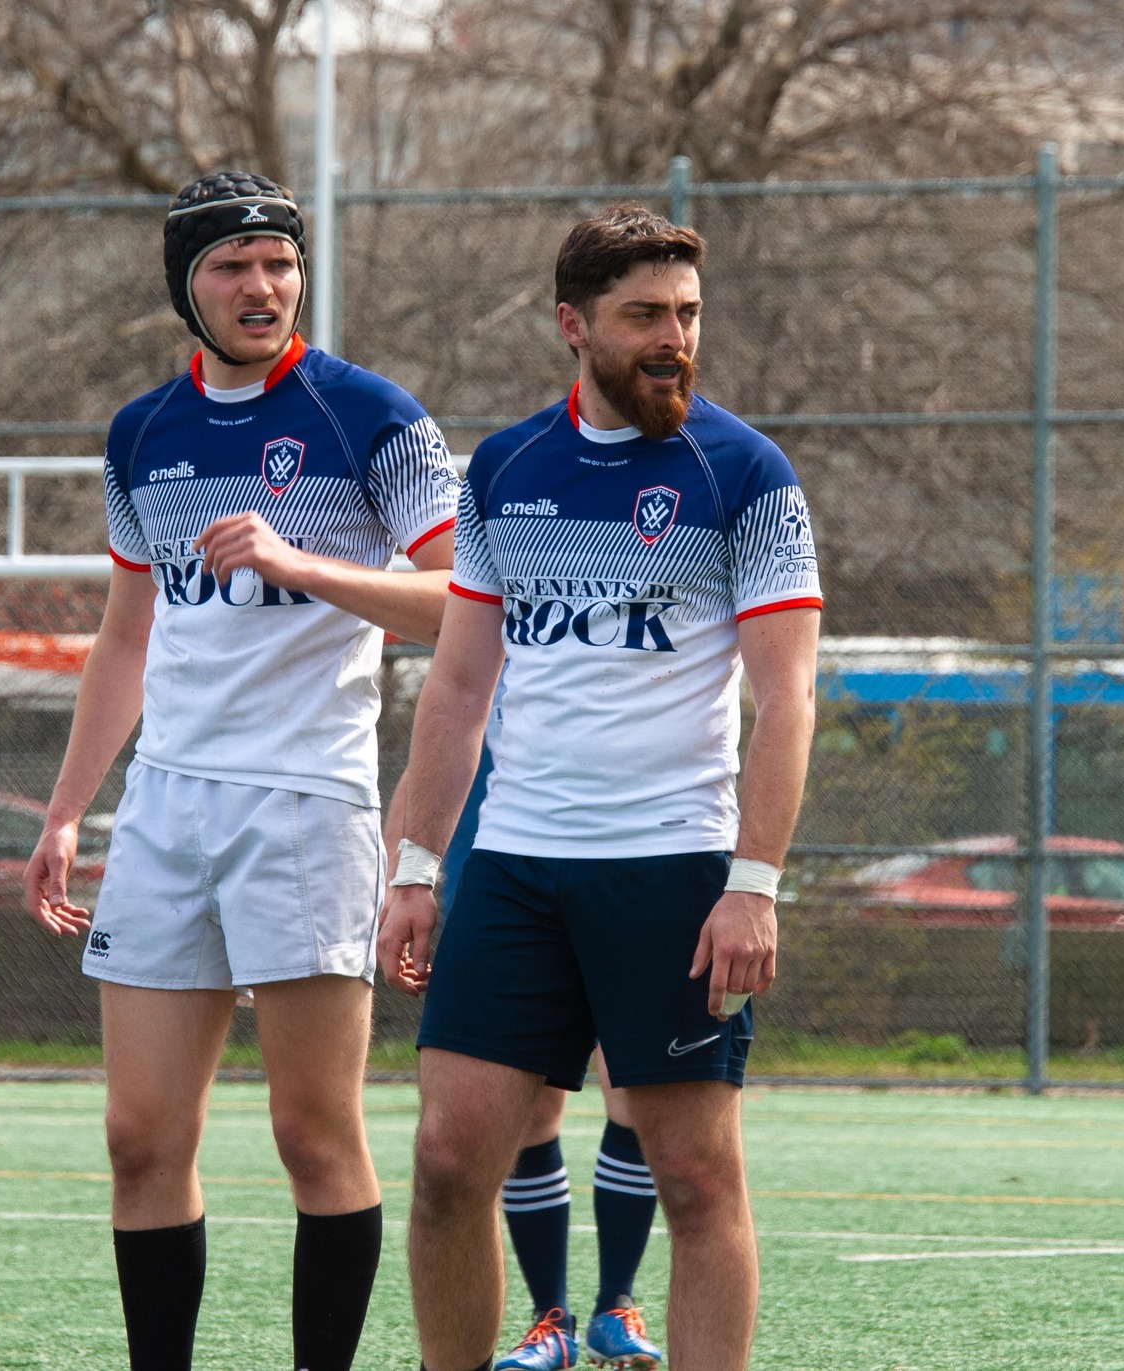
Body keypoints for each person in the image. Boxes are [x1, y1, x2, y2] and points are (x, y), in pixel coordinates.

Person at [21, 170, 460, 1371]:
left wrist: (305, 564)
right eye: (230, 267)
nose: (260, 286)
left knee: (313, 1133)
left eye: (277, 263)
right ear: (186, 287)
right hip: (165, 806)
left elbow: (466, 604)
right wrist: (69, 809)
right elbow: (127, 635)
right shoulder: (141, 433)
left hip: (308, 805)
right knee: (138, 1138)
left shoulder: (367, 415)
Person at [377, 204, 823, 1371]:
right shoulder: (508, 469)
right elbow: (458, 688)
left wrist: (754, 885)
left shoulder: (746, 474)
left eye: (684, 313)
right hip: (517, 870)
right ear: (572, 326)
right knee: (442, 1164)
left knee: (693, 1176)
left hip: (674, 873)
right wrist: (418, 867)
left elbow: (786, 700)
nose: (671, 337)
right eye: (643, 316)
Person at [425, 689, 664, 1371]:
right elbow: (448, 727)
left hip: (637, 862)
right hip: (514, 868)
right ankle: (549, 1320)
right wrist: (413, 872)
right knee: (529, 1108)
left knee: (636, 1094)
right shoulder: (494, 622)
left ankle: (615, 1304)